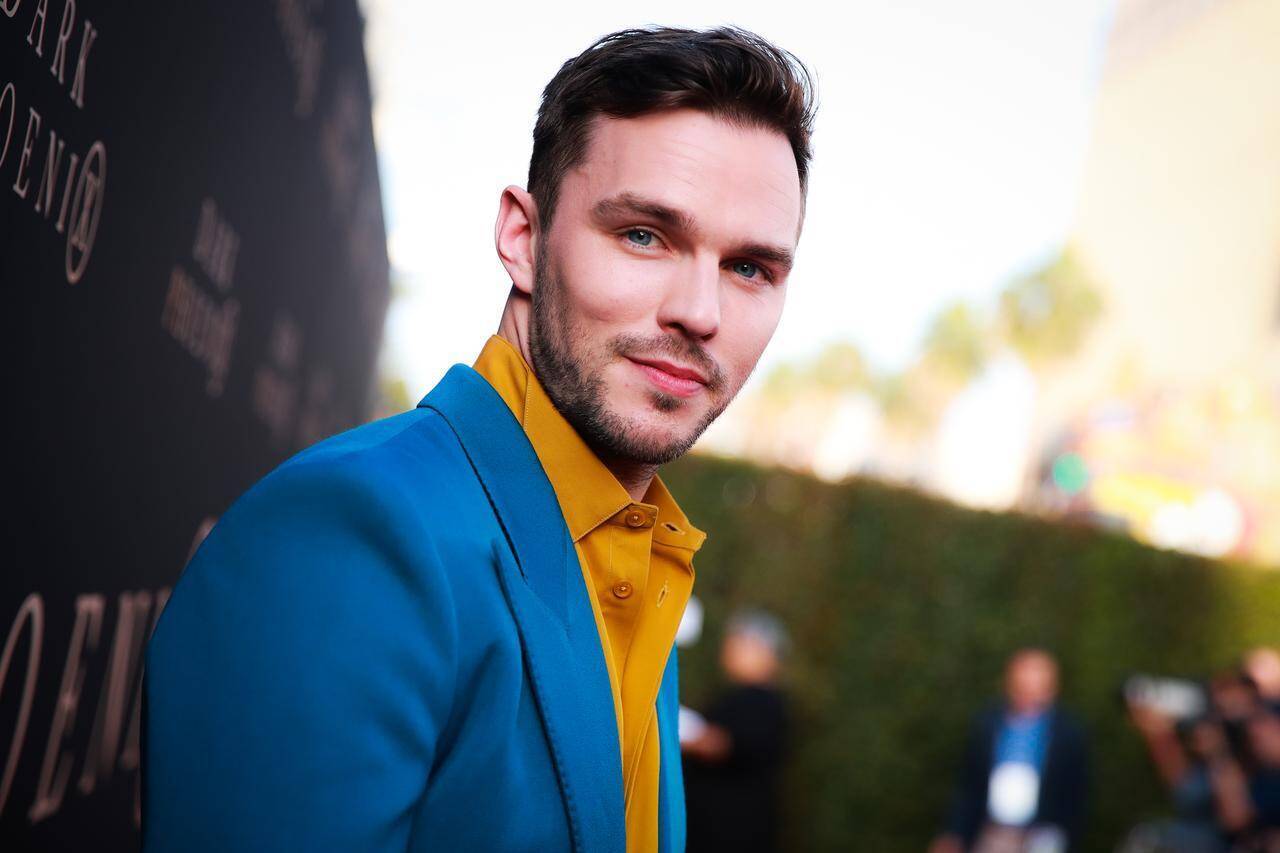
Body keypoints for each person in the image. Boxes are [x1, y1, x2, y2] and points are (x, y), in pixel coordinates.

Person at [140, 24, 817, 853]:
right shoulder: (356, 535)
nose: (700, 312)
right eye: (644, 234)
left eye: (749, 268)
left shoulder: (645, 565)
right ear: (522, 240)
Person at [930, 648, 1090, 853]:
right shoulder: (987, 725)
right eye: (1023, 685)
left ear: (1052, 688)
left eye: (1037, 685)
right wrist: (954, 834)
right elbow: (969, 786)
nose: (1029, 694)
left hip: (1042, 837)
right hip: (993, 832)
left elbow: (1076, 795)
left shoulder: (1068, 733)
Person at [682, 609, 791, 853]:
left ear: (768, 653)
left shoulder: (762, 702)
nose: (729, 649)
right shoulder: (734, 697)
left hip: (733, 832)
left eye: (742, 643)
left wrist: (677, 736)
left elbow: (722, 745)